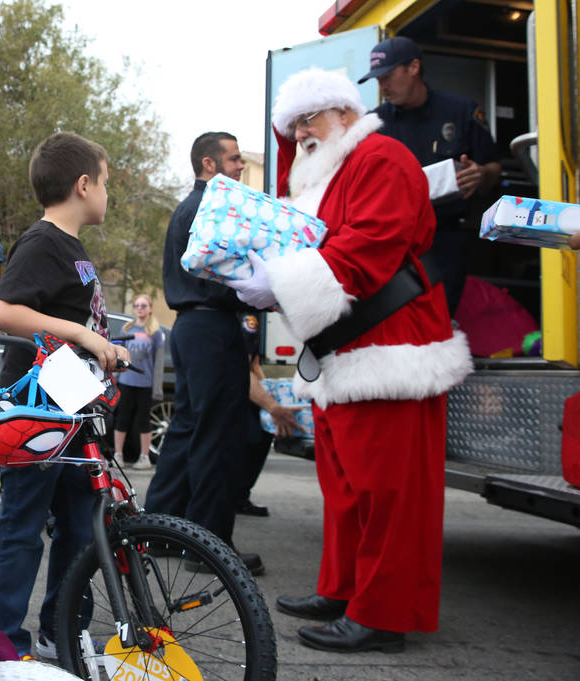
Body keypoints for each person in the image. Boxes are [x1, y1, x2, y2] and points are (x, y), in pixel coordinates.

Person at [229, 67, 472, 653]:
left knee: (387, 493)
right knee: (344, 489)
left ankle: (382, 615)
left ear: (342, 112)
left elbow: (368, 245)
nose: (301, 133)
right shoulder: (330, 172)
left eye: (308, 119)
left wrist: (281, 283)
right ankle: (343, 590)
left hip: (392, 348)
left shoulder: (381, 157)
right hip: (347, 349)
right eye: (292, 126)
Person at [0, 131, 129, 661]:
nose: (108, 195)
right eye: (107, 184)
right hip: (38, 408)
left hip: (75, 407)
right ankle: (4, 641)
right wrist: (85, 335)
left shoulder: (73, 249)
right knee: (23, 524)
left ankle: (61, 629)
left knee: (81, 526)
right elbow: (1, 312)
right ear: (84, 184)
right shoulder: (43, 241)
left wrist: (106, 348)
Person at [144, 131, 264, 575]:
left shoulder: (189, 207)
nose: (239, 167)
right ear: (209, 165)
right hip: (212, 326)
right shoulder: (211, 208)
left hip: (193, 327)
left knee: (188, 428)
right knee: (217, 436)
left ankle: (158, 528)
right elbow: (231, 275)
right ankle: (209, 545)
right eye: (233, 159)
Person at [359, 35, 501, 315]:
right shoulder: (373, 124)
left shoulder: (460, 111)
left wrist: (481, 174)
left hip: (446, 238)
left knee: (440, 322)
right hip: (394, 242)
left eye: (387, 76)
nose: (383, 86)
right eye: (377, 79)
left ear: (413, 67)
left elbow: (495, 168)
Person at [236, 312, 302, 517]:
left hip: (249, 387)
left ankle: (240, 497)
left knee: (259, 439)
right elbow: (243, 367)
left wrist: (269, 392)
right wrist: (271, 405)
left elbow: (254, 364)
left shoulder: (256, 318)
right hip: (239, 391)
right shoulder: (250, 319)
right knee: (252, 440)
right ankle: (235, 497)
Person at [111, 294, 164, 470]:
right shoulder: (127, 329)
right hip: (126, 381)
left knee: (143, 420)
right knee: (122, 418)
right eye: (137, 306)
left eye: (143, 306)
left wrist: (157, 388)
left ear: (150, 309)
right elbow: (119, 356)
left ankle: (144, 457)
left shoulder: (156, 333)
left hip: (145, 384)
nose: (140, 309)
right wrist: (116, 379)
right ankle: (118, 455)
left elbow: (159, 363)